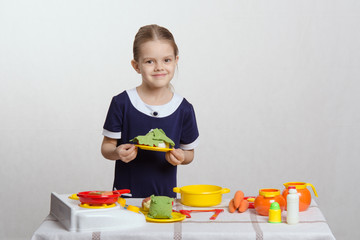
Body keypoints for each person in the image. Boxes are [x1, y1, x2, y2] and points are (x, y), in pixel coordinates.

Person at [101, 24, 199, 198]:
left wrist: (181, 156)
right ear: (136, 65)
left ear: (176, 61)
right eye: (149, 61)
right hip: (126, 198)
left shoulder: (184, 109)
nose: (159, 67)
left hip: (165, 199)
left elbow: (189, 153)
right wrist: (117, 153)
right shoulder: (121, 103)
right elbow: (107, 146)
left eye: (166, 60)